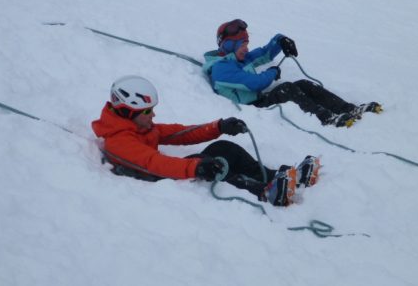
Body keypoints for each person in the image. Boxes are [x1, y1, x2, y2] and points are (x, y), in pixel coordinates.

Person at [91, 75, 321, 206]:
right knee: (213, 164)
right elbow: (155, 163)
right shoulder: (119, 140)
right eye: (147, 111)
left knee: (223, 148)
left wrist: (219, 127)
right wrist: (197, 167)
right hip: (155, 183)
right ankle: (265, 192)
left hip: (164, 171)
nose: (153, 115)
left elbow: (180, 133)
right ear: (128, 111)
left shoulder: (138, 126)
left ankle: (281, 178)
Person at [202, 19, 382, 127]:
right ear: (229, 46)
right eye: (242, 45)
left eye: (246, 43)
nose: (246, 48)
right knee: (286, 88)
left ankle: (347, 109)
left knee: (302, 84)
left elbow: (264, 53)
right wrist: (272, 72)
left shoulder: (239, 58)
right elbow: (254, 83)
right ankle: (327, 118)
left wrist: (280, 40)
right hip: (249, 110)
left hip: (258, 100)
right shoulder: (221, 69)